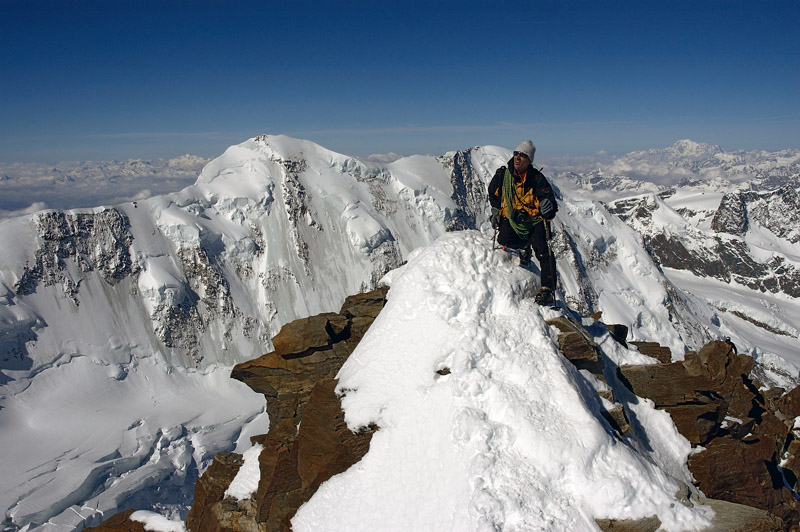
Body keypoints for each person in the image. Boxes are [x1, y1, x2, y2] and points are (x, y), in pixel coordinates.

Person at [488, 140, 559, 305]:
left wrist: (548, 207)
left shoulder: (537, 179)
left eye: (523, 155)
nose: (518, 157)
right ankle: (525, 247)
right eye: (516, 154)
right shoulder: (503, 175)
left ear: (529, 161)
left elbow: (549, 200)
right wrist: (495, 211)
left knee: (543, 250)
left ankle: (548, 289)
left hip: (534, 220)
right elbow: (493, 193)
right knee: (504, 240)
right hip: (512, 219)